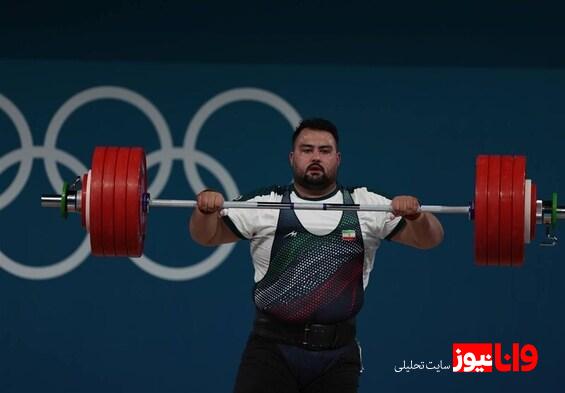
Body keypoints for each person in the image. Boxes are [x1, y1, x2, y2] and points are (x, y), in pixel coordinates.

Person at [189, 118, 444, 393]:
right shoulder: (266, 203)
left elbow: (430, 239)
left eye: (324, 150)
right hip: (271, 352)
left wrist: (417, 216)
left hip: (337, 357)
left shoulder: (367, 205)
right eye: (306, 149)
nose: (315, 157)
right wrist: (204, 211)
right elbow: (206, 236)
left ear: (338, 158)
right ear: (292, 157)